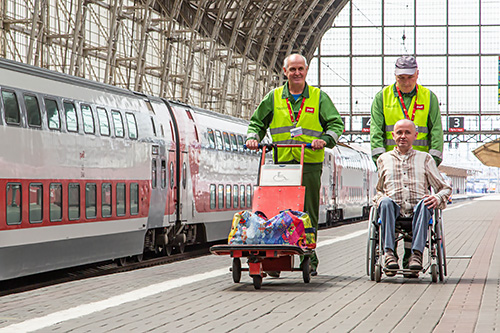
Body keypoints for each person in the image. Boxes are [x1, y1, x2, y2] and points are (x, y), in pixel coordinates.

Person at [246, 53, 344, 276]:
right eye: (292, 69)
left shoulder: (319, 98)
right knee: (276, 210)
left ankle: (309, 256)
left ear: (306, 70)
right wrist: (253, 137)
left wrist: (325, 140)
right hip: (281, 163)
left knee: (307, 212)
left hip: (309, 163)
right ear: (284, 71)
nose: (297, 73)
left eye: (300, 69)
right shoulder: (274, 97)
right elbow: (257, 122)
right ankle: (276, 254)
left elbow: (336, 124)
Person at [370, 55, 445, 268]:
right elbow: (375, 131)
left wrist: (433, 161)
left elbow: (436, 130)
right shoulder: (382, 97)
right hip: (391, 164)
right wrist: (381, 162)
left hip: (421, 165)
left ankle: (413, 256)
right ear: (395, 76)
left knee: (419, 204)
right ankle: (389, 254)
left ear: (417, 74)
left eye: (409, 77)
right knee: (388, 204)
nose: (405, 81)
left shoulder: (428, 97)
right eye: (401, 77)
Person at [374, 119, 451, 274]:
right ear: (392, 135)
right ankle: (389, 253)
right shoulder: (383, 159)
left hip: (418, 209)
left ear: (415, 135)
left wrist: (436, 198)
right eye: (399, 132)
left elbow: (445, 188)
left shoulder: (425, 159)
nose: (403, 136)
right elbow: (379, 190)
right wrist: (381, 199)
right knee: (385, 203)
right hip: (393, 209)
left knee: (426, 203)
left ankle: (416, 255)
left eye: (407, 132)